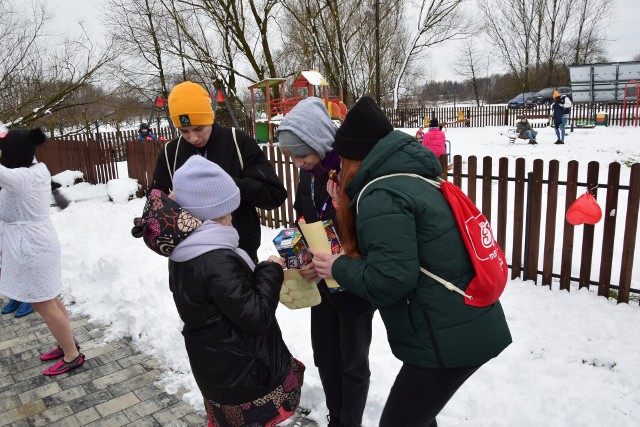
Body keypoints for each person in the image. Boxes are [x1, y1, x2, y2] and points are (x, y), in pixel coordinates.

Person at [311, 96, 512, 427]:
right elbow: (391, 247)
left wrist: (336, 267)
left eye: (343, 162)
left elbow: (390, 279)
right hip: (456, 326)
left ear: (353, 158)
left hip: (444, 339)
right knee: (419, 417)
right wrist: (341, 204)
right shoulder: (407, 178)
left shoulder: (381, 196)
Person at [167, 155, 303, 427]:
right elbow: (256, 316)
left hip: (217, 366)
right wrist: (270, 270)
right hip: (241, 371)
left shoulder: (185, 251)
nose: (232, 216)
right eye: (227, 210)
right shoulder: (215, 259)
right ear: (212, 212)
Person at [276, 97, 375, 427]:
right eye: (291, 156)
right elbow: (302, 217)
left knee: (353, 362)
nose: (297, 162)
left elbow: (371, 230)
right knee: (325, 356)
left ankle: (350, 421)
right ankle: (337, 415)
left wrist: (344, 258)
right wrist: (301, 257)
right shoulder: (309, 175)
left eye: (302, 153)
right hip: (321, 284)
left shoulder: (352, 171)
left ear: (320, 142)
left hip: (354, 285)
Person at [151, 81, 287, 262]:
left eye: (199, 128)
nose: (193, 138)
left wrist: (228, 185)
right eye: (184, 131)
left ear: (210, 118)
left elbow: (274, 195)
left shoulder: (238, 142)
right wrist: (151, 219)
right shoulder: (171, 153)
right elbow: (156, 200)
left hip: (240, 250)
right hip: (190, 257)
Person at [0, 128, 84, 376]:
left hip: (31, 247)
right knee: (52, 299)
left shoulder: (21, 178)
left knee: (44, 304)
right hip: (37, 242)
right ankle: (67, 343)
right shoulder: (36, 169)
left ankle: (72, 355)